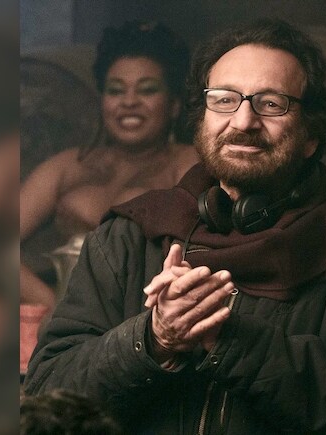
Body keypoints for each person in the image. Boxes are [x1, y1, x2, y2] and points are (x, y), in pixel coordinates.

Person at [23, 19, 326, 434]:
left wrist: (232, 342)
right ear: (202, 121)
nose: (243, 121)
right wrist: (151, 339)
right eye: (224, 100)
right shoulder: (128, 237)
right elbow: (49, 392)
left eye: (271, 104)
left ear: (311, 135)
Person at [20, 20, 199, 312]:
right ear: (102, 101)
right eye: (116, 90)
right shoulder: (70, 165)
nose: (129, 102)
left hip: (146, 314)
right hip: (65, 311)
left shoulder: (190, 163)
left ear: (174, 105)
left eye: (147, 90)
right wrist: (49, 303)